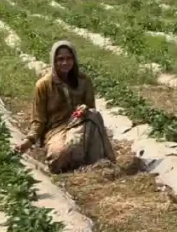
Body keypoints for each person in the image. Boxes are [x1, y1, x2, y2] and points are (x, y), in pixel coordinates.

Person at [15, 41, 116, 173]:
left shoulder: (84, 81)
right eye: (60, 59)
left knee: (93, 116)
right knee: (58, 157)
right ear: (53, 61)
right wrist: (28, 142)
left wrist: (84, 109)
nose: (65, 63)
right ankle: (78, 158)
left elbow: (92, 111)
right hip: (56, 131)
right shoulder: (43, 85)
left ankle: (100, 161)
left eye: (69, 58)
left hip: (81, 125)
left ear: (74, 59)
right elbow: (38, 121)